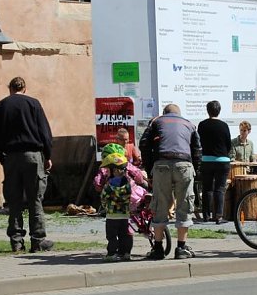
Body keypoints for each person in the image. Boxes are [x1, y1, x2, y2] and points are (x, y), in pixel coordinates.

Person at [0, 76, 55, 253]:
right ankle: (38, 239)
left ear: (9, 88)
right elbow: (44, 132)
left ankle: (16, 240)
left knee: (14, 200)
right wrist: (47, 155)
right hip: (33, 155)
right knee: (35, 199)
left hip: (10, 156)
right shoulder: (33, 104)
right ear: (24, 88)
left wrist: (1, 157)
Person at [139, 104, 202, 260]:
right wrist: (195, 171)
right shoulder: (189, 124)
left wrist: (150, 169)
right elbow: (197, 149)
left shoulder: (156, 122)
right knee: (184, 205)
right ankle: (181, 248)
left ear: (164, 113)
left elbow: (144, 144)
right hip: (184, 165)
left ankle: (158, 248)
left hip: (161, 164)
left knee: (160, 204)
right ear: (179, 114)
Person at [197, 100, 231, 224]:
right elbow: (228, 144)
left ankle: (206, 216)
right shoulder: (224, 125)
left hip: (206, 160)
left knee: (207, 188)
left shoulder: (202, 125)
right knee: (220, 189)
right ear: (219, 110)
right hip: (222, 160)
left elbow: (199, 142)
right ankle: (218, 216)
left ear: (207, 111)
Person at [99, 152, 135, 262]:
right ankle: (126, 253)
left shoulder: (109, 185)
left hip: (112, 215)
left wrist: (105, 207)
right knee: (125, 235)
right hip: (124, 215)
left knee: (112, 236)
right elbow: (131, 197)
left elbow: (104, 197)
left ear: (114, 171)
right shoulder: (128, 184)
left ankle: (112, 254)